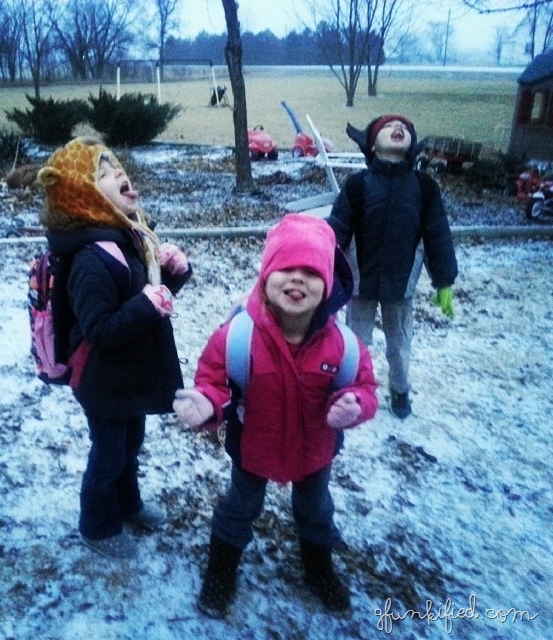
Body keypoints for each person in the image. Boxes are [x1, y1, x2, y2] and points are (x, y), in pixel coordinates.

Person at [173, 214, 378, 618]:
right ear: (266, 275)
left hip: (314, 451)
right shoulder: (237, 337)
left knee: (316, 510)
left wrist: (355, 405)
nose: (298, 278)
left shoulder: (345, 347)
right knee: (240, 506)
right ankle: (221, 569)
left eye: (311, 272)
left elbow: (365, 388)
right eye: (286, 268)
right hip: (254, 447)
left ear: (328, 284)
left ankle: (318, 569)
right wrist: (207, 405)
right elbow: (215, 381)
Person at [36, 137, 192, 560]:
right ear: (82, 194)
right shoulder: (91, 258)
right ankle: (97, 525)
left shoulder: (129, 236)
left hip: (128, 374)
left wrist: (172, 276)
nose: (119, 173)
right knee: (108, 453)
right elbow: (100, 329)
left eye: (117, 167)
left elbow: (143, 297)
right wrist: (149, 302)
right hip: (101, 379)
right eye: (103, 174)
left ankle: (128, 503)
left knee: (131, 443)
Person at [326, 115, 458, 419]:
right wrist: (324, 269)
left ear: (412, 144)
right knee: (356, 341)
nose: (397, 129)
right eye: (388, 127)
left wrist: (444, 280)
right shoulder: (357, 185)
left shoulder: (424, 187)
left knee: (399, 344)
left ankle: (399, 389)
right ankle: (351, 387)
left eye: (404, 128)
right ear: (372, 143)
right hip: (361, 280)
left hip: (401, 285)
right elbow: (337, 231)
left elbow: (437, 233)